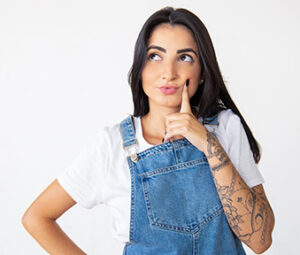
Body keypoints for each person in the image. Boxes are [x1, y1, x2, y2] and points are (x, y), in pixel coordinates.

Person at [22, 6, 275, 255]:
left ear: (202, 74)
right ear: (140, 68)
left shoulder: (224, 128)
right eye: (155, 56)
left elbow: (260, 240)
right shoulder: (113, 145)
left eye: (184, 57)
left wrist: (210, 145)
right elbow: (37, 217)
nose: (169, 73)